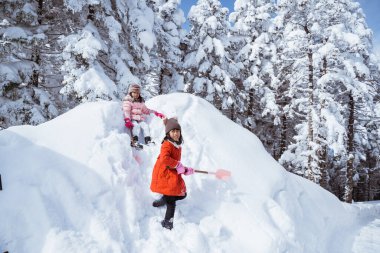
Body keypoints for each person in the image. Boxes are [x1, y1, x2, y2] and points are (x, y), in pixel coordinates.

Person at [150, 118, 195, 230]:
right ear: (168, 133)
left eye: (177, 131)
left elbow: (175, 163)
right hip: (164, 173)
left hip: (171, 172)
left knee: (182, 194)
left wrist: (184, 169)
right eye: (173, 131)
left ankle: (163, 200)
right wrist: (178, 165)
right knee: (172, 197)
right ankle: (168, 222)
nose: (176, 133)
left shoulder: (176, 144)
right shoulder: (167, 144)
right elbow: (165, 159)